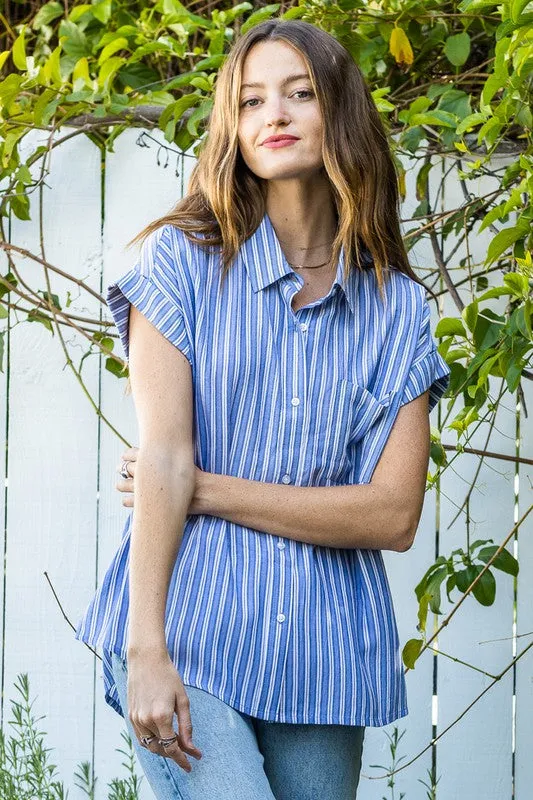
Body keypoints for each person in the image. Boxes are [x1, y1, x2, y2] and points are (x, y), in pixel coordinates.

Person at [75, 17, 451, 800]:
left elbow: (392, 515)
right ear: (232, 129)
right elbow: (165, 457)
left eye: (298, 93)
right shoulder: (178, 265)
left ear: (339, 112)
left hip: (324, 661)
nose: (271, 115)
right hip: (189, 633)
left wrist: (204, 489)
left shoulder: (397, 311)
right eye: (249, 102)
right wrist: (145, 650)